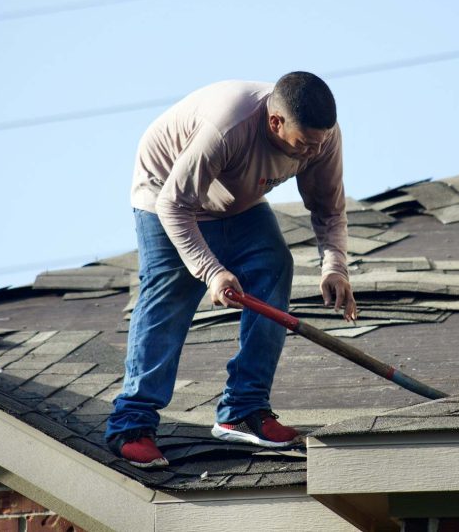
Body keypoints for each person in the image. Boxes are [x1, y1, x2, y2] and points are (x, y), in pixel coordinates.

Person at [104, 71, 356, 468]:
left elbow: (329, 208)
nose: (311, 153)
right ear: (276, 122)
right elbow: (174, 205)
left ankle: (243, 409)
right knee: (170, 294)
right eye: (304, 144)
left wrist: (335, 267)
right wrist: (211, 270)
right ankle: (131, 425)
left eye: (318, 143)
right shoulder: (227, 127)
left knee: (273, 266)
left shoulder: (321, 137)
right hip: (165, 194)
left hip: (235, 200)